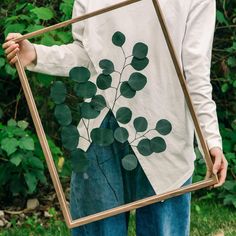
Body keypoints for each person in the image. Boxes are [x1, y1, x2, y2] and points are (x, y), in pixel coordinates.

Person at [3, 0, 228, 235]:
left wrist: (210, 139)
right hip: (101, 129)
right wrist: (36, 54)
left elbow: (195, 73)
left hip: (165, 138)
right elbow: (87, 57)